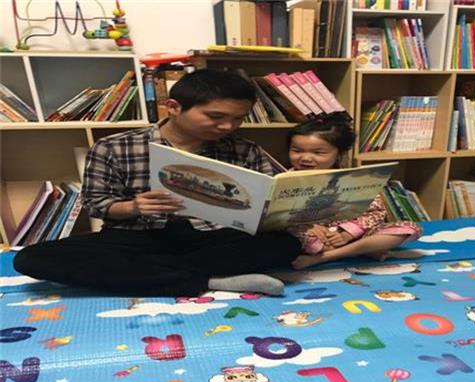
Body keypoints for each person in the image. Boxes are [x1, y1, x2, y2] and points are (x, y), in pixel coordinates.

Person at [13, 69, 302, 296]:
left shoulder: (244, 149)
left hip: (213, 238)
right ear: (173, 107)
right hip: (138, 237)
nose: (227, 127)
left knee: (285, 244)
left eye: (238, 119)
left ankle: (147, 276)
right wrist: (133, 207)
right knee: (31, 259)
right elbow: (97, 205)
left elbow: (268, 200)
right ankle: (210, 280)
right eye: (215, 116)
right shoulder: (114, 147)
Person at [286, 114, 422, 269]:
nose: (305, 158)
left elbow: (376, 212)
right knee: (304, 242)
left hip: (353, 234)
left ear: (339, 153)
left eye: (318, 153)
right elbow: (278, 218)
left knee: (408, 228)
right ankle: (362, 250)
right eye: (297, 150)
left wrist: (347, 233)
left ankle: (327, 256)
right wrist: (308, 228)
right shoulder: (283, 180)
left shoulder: (354, 179)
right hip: (312, 235)